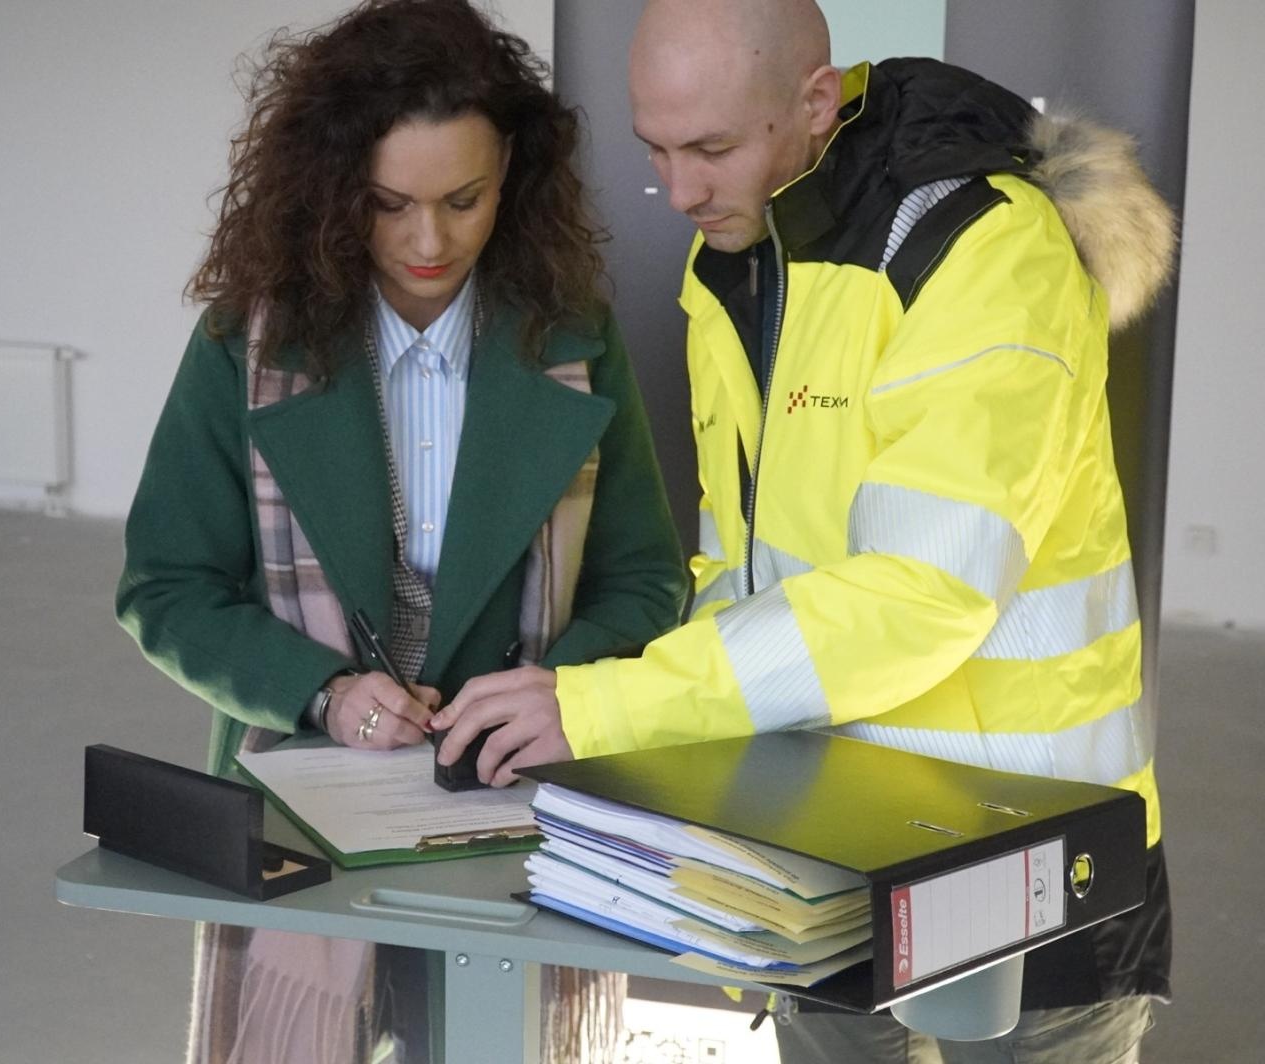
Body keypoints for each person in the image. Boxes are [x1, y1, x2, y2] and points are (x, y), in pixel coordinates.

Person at [431, 0, 1175, 1058]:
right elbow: (744, 568)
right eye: (655, 149)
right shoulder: (735, 261)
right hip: (818, 842)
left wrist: (605, 708)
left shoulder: (981, 249)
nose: (678, 191)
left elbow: (920, 594)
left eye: (712, 148)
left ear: (816, 101)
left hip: (1032, 850)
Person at [115, 1, 685, 1060]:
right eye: (388, 204)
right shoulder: (244, 347)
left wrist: (557, 689)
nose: (429, 241)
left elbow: (644, 577)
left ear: (511, 169)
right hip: (299, 796)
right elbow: (167, 587)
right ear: (333, 191)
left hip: (519, 803)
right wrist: (321, 691)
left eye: (464, 200)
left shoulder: (573, 335)